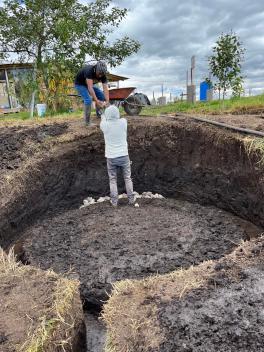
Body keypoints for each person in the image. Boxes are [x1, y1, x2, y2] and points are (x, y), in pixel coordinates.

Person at [100, 105, 135, 207]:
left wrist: (103, 114)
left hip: (111, 157)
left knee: (112, 179)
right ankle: (131, 200)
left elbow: (103, 118)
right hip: (124, 156)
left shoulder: (104, 125)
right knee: (127, 178)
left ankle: (114, 202)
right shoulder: (123, 122)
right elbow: (121, 117)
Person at [74, 61, 110, 125]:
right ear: (96, 68)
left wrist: (107, 101)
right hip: (79, 84)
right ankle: (87, 122)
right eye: (99, 73)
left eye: (102, 74)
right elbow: (90, 88)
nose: (100, 75)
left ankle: (99, 114)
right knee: (88, 99)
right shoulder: (89, 71)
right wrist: (96, 101)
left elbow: (105, 89)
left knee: (102, 96)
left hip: (87, 85)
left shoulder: (103, 75)